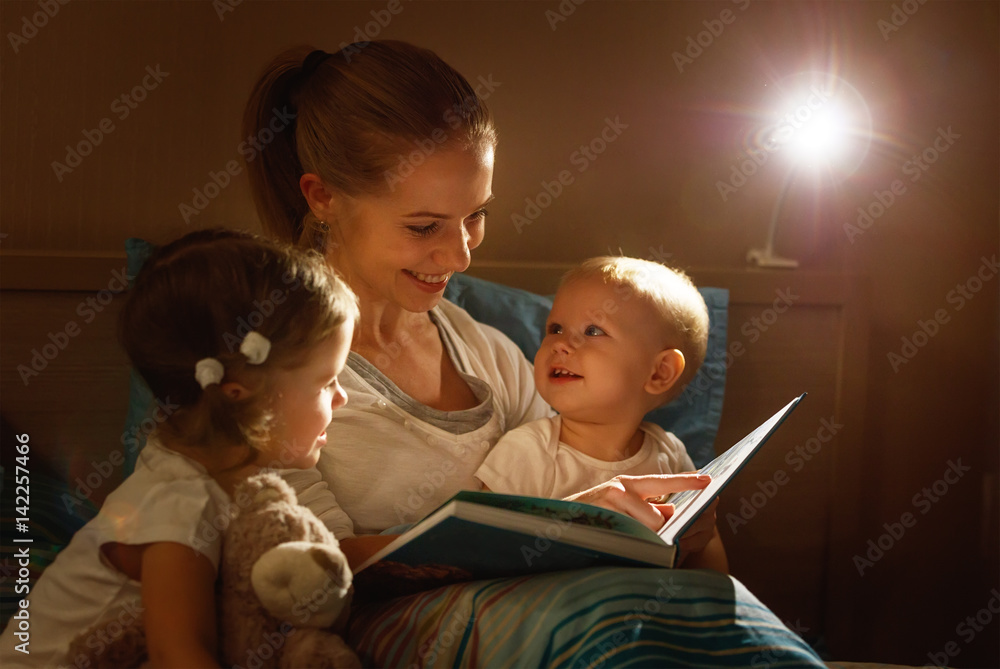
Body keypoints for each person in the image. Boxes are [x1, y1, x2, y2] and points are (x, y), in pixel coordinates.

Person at [244, 41, 825, 667]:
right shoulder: (275, 373)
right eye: (423, 227)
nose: (462, 255)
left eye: (477, 216)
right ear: (323, 197)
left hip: (553, 608)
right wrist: (549, 528)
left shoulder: (487, 353)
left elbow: (553, 481)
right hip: (398, 630)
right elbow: (300, 565)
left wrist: (674, 529)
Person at [0, 229, 357, 668]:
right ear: (240, 392)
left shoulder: (209, 476)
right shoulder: (182, 502)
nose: (342, 398)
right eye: (327, 382)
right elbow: (180, 655)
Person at [475, 256, 729, 572]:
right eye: (555, 328)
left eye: (593, 330)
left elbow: (708, 556)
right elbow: (479, 551)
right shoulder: (527, 450)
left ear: (660, 372)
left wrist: (702, 544)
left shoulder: (671, 455)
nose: (561, 345)